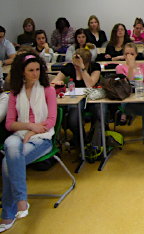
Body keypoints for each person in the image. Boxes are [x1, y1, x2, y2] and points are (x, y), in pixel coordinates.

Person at [0, 53, 57, 232]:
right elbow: (10, 124)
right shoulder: (15, 93)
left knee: (7, 163)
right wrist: (28, 125)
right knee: (10, 145)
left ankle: (9, 213)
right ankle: (21, 201)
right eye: (30, 70)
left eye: (38, 70)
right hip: (20, 135)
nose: (35, 74)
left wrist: (32, 131)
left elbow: (51, 121)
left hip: (42, 138)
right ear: (22, 72)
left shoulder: (48, 90)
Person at [52, 48, 101, 147]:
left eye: (77, 64)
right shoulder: (69, 67)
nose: (75, 67)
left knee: (99, 113)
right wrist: (58, 82)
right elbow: (53, 82)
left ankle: (94, 138)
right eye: (74, 64)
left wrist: (82, 69)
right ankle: (80, 139)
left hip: (91, 97)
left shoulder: (95, 66)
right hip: (74, 98)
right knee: (73, 118)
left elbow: (90, 84)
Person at [116, 43, 144, 153]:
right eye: (127, 54)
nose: (129, 56)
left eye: (132, 54)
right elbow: (125, 86)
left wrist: (136, 69)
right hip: (128, 102)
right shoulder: (120, 68)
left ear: (136, 54)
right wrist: (130, 68)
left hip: (142, 98)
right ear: (123, 55)